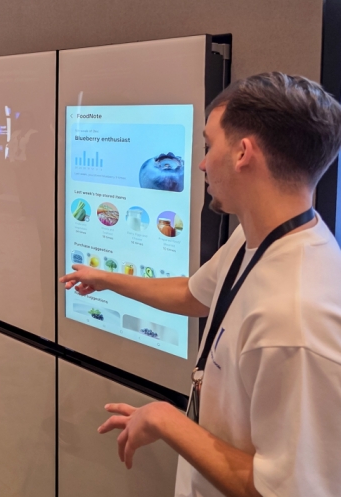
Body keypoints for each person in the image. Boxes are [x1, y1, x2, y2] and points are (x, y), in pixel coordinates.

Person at [60, 72, 341, 496]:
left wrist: (166, 420)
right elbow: (192, 294)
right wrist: (105, 278)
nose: (202, 164)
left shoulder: (297, 319)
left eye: (209, 146)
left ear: (243, 152)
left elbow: (284, 489)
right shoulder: (258, 237)